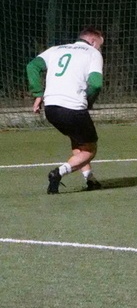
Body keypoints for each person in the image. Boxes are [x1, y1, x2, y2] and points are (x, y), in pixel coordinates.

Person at [27, 26, 106, 194]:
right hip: (73, 108)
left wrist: (38, 93)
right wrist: (88, 101)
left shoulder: (56, 49)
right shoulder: (92, 53)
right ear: (93, 41)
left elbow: (32, 66)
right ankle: (58, 172)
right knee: (90, 149)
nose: (100, 49)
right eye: (100, 45)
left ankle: (90, 179)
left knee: (78, 140)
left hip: (51, 108)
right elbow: (96, 83)